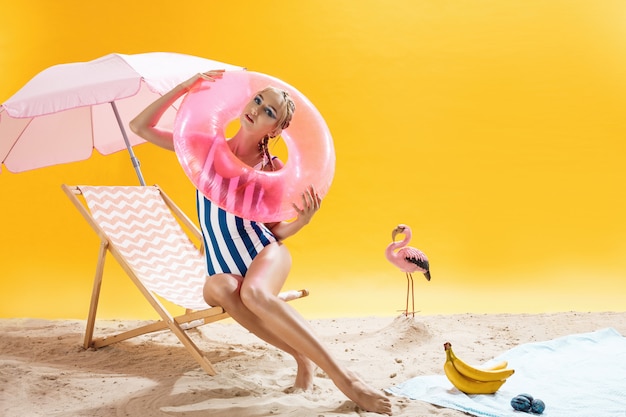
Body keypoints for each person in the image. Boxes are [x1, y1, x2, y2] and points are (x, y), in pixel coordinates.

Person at [129, 70, 392, 415]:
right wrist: (184, 88)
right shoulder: (205, 148)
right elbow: (139, 127)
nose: (257, 109)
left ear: (276, 130)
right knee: (221, 288)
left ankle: (346, 379)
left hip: (263, 251)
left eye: (269, 111)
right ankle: (301, 357)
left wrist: (302, 221)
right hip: (221, 265)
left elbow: (275, 231)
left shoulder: (273, 168)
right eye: (257, 100)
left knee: (254, 293)